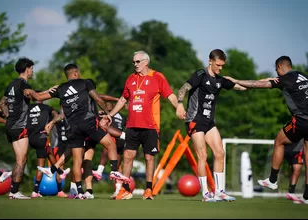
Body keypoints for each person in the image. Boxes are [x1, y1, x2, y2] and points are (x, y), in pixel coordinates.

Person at [25, 64, 130, 199]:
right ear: (75, 73)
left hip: (73, 128)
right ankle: (114, 171)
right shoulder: (85, 83)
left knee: (77, 160)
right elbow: (98, 98)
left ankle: (79, 191)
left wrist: (30, 90)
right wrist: (109, 114)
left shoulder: (60, 88)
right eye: (78, 73)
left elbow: (38, 98)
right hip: (88, 123)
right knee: (110, 143)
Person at [224, 55, 308, 204]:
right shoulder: (300, 75)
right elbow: (271, 80)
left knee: (279, 141)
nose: (276, 74)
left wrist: (236, 81)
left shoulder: (285, 80)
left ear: (280, 67)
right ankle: (307, 195)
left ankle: (273, 179)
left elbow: (258, 84)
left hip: (302, 120)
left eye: (276, 70)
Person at [176, 49, 247, 202]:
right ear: (210, 61)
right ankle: (206, 194)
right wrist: (180, 104)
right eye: (218, 65)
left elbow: (240, 86)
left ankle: (220, 192)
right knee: (202, 156)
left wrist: (263, 84)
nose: (220, 68)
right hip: (194, 119)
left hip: (209, 122)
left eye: (222, 66)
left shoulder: (220, 80)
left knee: (220, 153)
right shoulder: (200, 75)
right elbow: (183, 88)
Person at [108, 50, 178, 200]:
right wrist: (110, 115)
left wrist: (179, 107)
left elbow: (170, 95)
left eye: (138, 61)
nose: (135, 64)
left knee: (149, 158)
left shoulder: (157, 77)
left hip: (150, 126)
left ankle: (148, 189)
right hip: (132, 125)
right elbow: (122, 100)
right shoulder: (131, 78)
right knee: (127, 156)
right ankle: (125, 190)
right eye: (133, 62)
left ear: (146, 62)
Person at [0, 57, 57, 199]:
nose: (32, 71)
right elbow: (35, 95)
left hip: (11, 126)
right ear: (27, 69)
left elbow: (2, 103)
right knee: (21, 159)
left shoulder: (11, 84)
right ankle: (14, 192)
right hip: (19, 126)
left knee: (20, 159)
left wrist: (7, 117)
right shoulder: (23, 84)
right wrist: (51, 92)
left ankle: (13, 191)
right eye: (31, 69)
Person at [27, 99, 69, 198]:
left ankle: (60, 173)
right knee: (41, 166)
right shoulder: (47, 109)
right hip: (43, 138)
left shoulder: (28, 108)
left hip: (31, 138)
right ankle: (35, 191)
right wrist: (52, 122)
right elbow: (58, 115)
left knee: (49, 153)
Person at [92, 101, 127, 199]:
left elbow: (127, 125)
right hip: (121, 139)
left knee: (116, 166)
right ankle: (118, 190)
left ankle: (100, 170)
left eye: (109, 104)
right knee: (116, 167)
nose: (108, 105)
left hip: (117, 138)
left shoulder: (110, 115)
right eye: (106, 104)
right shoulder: (120, 115)